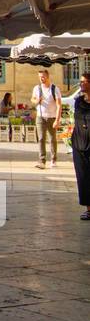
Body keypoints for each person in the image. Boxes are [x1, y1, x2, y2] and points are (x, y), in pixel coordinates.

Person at [31, 68, 62, 168]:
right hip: (40, 117)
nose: (41, 79)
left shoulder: (54, 89)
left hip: (52, 117)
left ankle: (53, 159)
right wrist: (36, 101)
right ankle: (42, 161)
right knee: (41, 138)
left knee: (52, 139)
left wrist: (57, 120)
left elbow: (59, 105)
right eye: (40, 77)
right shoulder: (37, 88)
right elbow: (32, 99)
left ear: (48, 77)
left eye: (43, 76)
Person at [70, 73, 90, 221]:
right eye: (80, 81)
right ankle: (89, 209)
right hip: (79, 143)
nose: (81, 84)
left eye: (84, 82)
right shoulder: (78, 101)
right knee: (83, 177)